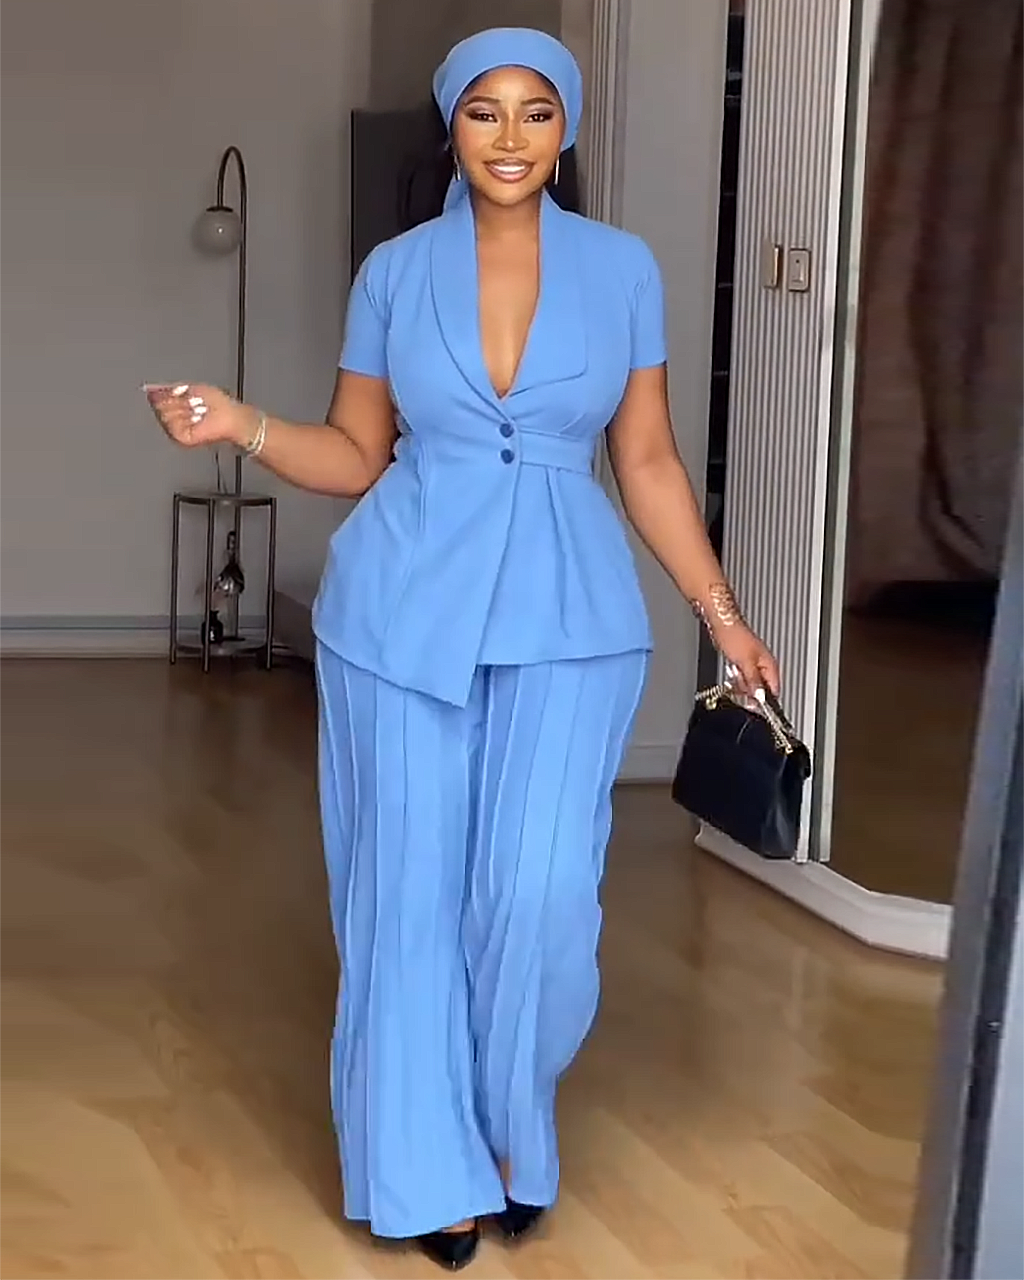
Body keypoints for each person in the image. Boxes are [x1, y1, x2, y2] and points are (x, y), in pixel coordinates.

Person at [147, 26, 779, 1272]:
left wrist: (722, 613)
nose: (509, 135)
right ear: (453, 129)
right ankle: (427, 1170)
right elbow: (354, 453)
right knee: (403, 899)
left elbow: (647, 459)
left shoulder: (622, 269)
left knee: (537, 901)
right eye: (484, 111)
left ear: (566, 129)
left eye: (536, 111)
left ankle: (504, 1129)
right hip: (396, 614)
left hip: (571, 620)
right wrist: (241, 425)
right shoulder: (394, 271)